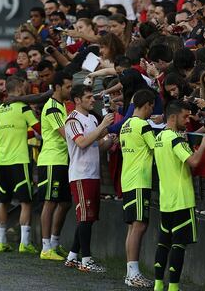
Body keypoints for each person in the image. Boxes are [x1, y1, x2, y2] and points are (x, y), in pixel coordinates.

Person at [153, 100, 205, 291]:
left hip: (166, 200)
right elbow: (193, 161)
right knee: (179, 245)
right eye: (185, 116)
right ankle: (174, 287)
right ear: (172, 117)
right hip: (182, 199)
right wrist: (204, 144)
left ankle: (159, 284)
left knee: (163, 244)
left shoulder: (159, 137)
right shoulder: (175, 139)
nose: (188, 120)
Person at [63, 85, 116, 272]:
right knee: (85, 217)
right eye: (88, 97)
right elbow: (83, 142)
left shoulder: (92, 118)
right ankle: (86, 260)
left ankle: (72, 256)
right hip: (80, 174)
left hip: (93, 174)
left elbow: (98, 145)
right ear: (77, 100)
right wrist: (103, 126)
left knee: (89, 218)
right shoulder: (72, 120)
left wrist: (110, 140)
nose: (93, 100)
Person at [0, 76, 40, 253]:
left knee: (3, 202)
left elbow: (10, 133)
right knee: (26, 202)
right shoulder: (23, 108)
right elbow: (40, 130)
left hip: (1, 161)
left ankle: (1, 242)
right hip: (19, 160)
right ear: (20, 89)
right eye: (25, 87)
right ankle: (25, 243)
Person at [120, 89, 156, 288]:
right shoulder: (143, 126)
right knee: (139, 226)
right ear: (148, 105)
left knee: (133, 227)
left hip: (128, 180)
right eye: (152, 106)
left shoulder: (126, 124)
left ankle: (130, 273)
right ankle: (133, 274)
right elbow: (157, 148)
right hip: (140, 181)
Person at [38, 72, 73, 261]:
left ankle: (54, 243)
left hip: (62, 161)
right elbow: (65, 134)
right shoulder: (52, 108)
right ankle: (45, 248)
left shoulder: (60, 106)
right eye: (68, 86)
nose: (71, 89)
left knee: (65, 202)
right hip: (52, 160)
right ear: (58, 87)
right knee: (50, 202)